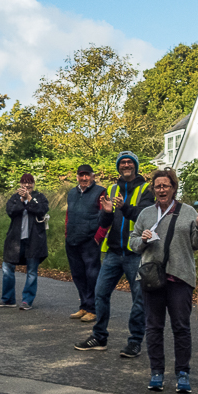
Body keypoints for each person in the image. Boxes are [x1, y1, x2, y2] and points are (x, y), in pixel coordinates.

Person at [129, 169, 198, 393]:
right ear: (153, 189)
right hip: (151, 277)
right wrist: (142, 240)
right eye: (158, 186)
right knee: (153, 327)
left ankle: (183, 373)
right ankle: (156, 372)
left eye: (166, 185)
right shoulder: (145, 213)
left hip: (180, 277)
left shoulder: (189, 212)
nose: (161, 189)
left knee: (181, 327)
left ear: (174, 188)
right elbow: (133, 243)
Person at [75, 151, 153, 354]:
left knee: (139, 299)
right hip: (112, 252)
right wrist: (107, 213)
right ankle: (99, 337)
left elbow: (145, 218)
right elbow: (104, 221)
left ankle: (135, 341)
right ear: (118, 166)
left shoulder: (146, 189)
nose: (126, 165)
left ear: (135, 166)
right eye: (122, 163)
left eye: (129, 162)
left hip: (136, 253)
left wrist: (125, 207)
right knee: (100, 294)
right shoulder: (111, 188)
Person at [0, 173, 49, 310]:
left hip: (34, 240)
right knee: (7, 268)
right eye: (24, 182)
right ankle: (8, 299)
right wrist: (22, 200)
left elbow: (42, 210)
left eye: (30, 182)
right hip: (15, 241)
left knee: (31, 271)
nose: (27, 185)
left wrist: (30, 199)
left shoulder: (40, 197)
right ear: (20, 184)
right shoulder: (14, 198)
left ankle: (27, 301)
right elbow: (11, 212)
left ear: (34, 184)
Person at [64, 164, 105, 322]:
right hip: (72, 239)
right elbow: (69, 214)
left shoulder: (100, 192)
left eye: (87, 175)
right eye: (81, 175)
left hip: (90, 241)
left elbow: (105, 216)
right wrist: (67, 234)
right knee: (78, 275)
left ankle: (93, 309)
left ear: (93, 176)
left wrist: (98, 237)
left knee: (92, 276)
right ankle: (84, 306)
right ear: (77, 177)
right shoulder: (72, 193)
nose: (84, 178)